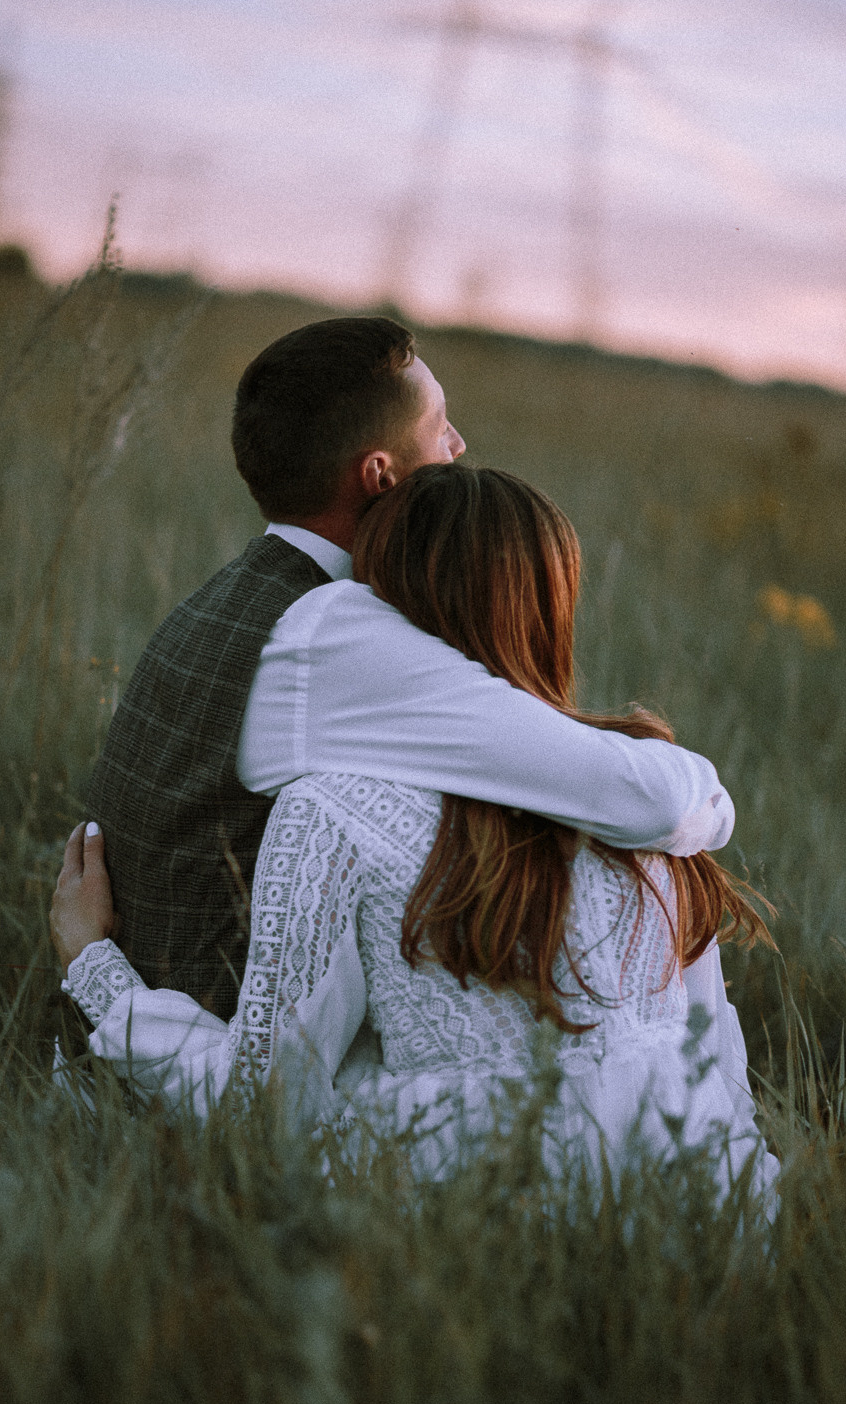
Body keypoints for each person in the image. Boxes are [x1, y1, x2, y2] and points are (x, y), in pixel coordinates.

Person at [52, 465, 779, 1201]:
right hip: (704, 1193)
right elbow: (716, 1067)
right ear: (552, 613)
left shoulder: (332, 809)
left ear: (377, 603)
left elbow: (264, 1108)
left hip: (476, 1212)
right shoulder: (642, 795)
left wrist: (99, 975)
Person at [82, 317, 734, 1037]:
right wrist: (711, 804)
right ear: (380, 475)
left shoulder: (234, 597)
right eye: (439, 426)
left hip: (130, 1030)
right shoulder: (334, 631)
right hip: (199, 1056)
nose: (459, 445)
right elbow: (648, 800)